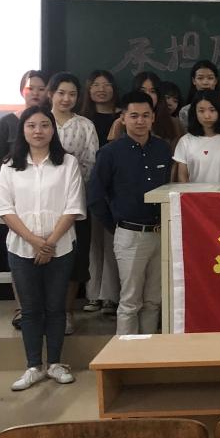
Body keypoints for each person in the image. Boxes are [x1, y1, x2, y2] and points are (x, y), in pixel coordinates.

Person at [0, 105, 85, 391]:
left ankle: (55, 363)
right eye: (31, 125)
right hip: (21, 248)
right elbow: (5, 209)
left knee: (56, 308)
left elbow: (73, 207)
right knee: (31, 310)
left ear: (53, 129)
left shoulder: (67, 163)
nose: (38, 131)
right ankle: (33, 366)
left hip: (61, 246)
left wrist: (50, 242)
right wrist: (35, 242)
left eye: (44, 125)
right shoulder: (10, 165)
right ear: (23, 130)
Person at [89, 91, 172, 335]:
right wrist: (117, 225)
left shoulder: (163, 149)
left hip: (161, 233)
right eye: (134, 115)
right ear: (123, 118)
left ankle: (147, 352)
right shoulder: (110, 152)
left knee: (153, 300)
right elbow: (95, 197)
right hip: (129, 234)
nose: (140, 121)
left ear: (153, 118)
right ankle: (125, 354)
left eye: (146, 115)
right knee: (130, 301)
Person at [0, 69, 47, 330]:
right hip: (14, 207)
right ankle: (23, 308)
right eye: (31, 87)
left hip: (46, 206)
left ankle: (46, 309)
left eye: (41, 88)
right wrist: (2, 205)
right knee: (18, 258)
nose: (36, 93)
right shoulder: (6, 123)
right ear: (22, 90)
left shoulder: (49, 123)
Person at [45, 72, 99, 336]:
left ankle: (66, 312)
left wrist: (75, 188)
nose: (66, 99)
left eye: (72, 94)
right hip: (43, 201)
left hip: (77, 201)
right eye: (61, 93)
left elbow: (91, 162)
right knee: (45, 254)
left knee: (75, 259)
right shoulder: (40, 121)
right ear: (51, 94)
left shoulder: (85, 125)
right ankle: (44, 312)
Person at [80, 69, 120, 315]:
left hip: (117, 186)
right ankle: (93, 293)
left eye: (106, 84)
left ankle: (110, 295)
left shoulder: (123, 117)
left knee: (113, 241)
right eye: (96, 84)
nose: (101, 89)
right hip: (90, 186)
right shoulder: (83, 119)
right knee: (93, 242)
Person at [173, 90, 220, 185]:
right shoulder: (185, 141)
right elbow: (182, 178)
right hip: (192, 194)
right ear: (195, 113)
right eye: (201, 111)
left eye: (212, 110)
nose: (207, 116)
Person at [108, 71, 183, 145]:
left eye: (152, 91)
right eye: (142, 91)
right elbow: (113, 150)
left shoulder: (174, 123)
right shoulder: (121, 123)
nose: (147, 95)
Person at [177, 59, 219, 125]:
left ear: (216, 81)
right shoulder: (185, 111)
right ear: (194, 81)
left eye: (210, 78)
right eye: (200, 78)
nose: (205, 82)